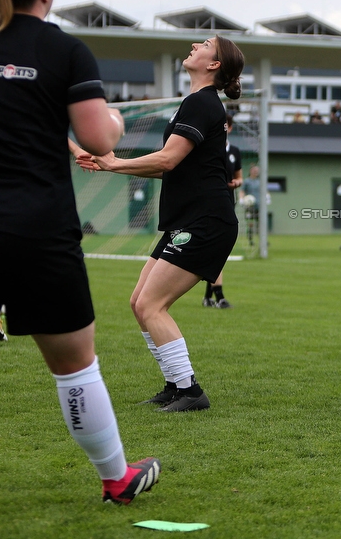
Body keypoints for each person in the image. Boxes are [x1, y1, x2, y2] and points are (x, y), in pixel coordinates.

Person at [0, 0, 159, 528]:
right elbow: (101, 139)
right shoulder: (66, 51)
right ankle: (116, 479)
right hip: (34, 225)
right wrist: (104, 115)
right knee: (75, 365)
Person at [76, 35, 244, 414]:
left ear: (213, 64)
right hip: (190, 219)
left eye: (204, 44)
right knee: (139, 303)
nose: (195, 46)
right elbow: (173, 165)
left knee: (152, 304)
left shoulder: (202, 103)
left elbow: (167, 160)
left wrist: (115, 164)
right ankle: (174, 384)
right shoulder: (193, 103)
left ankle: (190, 390)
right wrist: (115, 163)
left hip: (206, 221)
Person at [203, 114, 242, 309]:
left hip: (229, 202)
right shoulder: (208, 148)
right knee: (216, 250)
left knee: (217, 250)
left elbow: (239, 177)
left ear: (231, 128)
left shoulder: (234, 151)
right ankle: (219, 297)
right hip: (210, 204)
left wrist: (236, 183)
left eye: (227, 125)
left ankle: (208, 297)